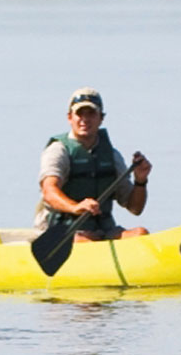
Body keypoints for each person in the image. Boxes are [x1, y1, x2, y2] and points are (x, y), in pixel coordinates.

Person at [36, 87, 152, 241]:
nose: (85, 119)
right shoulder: (58, 150)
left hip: (103, 230)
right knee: (85, 242)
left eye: (91, 113)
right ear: (70, 117)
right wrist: (75, 207)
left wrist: (140, 180)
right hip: (62, 232)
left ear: (101, 118)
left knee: (140, 233)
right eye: (79, 114)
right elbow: (49, 192)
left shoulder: (112, 155)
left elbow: (135, 208)